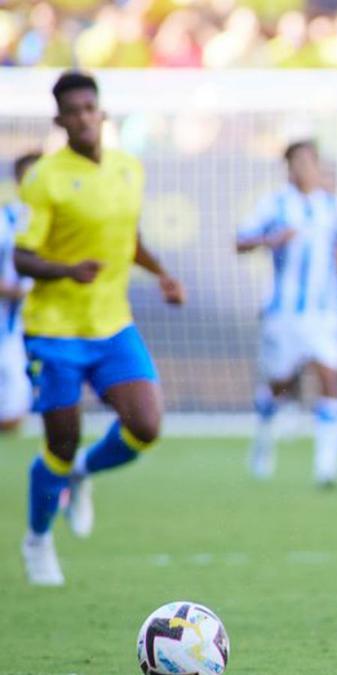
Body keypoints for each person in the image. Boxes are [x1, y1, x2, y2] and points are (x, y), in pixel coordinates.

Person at [16, 71, 185, 586]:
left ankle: (83, 474)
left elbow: (128, 237)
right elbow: (22, 257)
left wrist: (162, 275)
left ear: (102, 112)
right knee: (59, 444)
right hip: (55, 329)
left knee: (147, 426)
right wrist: (68, 270)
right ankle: (38, 539)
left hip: (112, 325)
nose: (85, 116)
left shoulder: (129, 169)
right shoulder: (44, 178)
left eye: (91, 107)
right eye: (74, 110)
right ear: (60, 120)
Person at [236, 140, 337, 487]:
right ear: (288, 167)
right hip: (283, 312)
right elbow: (240, 241)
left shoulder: (335, 206)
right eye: (298, 162)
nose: (305, 169)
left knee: (330, 378)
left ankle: (327, 466)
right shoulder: (273, 204)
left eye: (310, 162)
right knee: (280, 384)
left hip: (324, 312)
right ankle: (263, 437)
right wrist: (270, 240)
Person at [0, 153, 40, 434]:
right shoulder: (5, 220)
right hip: (8, 326)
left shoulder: (64, 220)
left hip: (42, 326)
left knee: (16, 416)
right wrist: (14, 291)